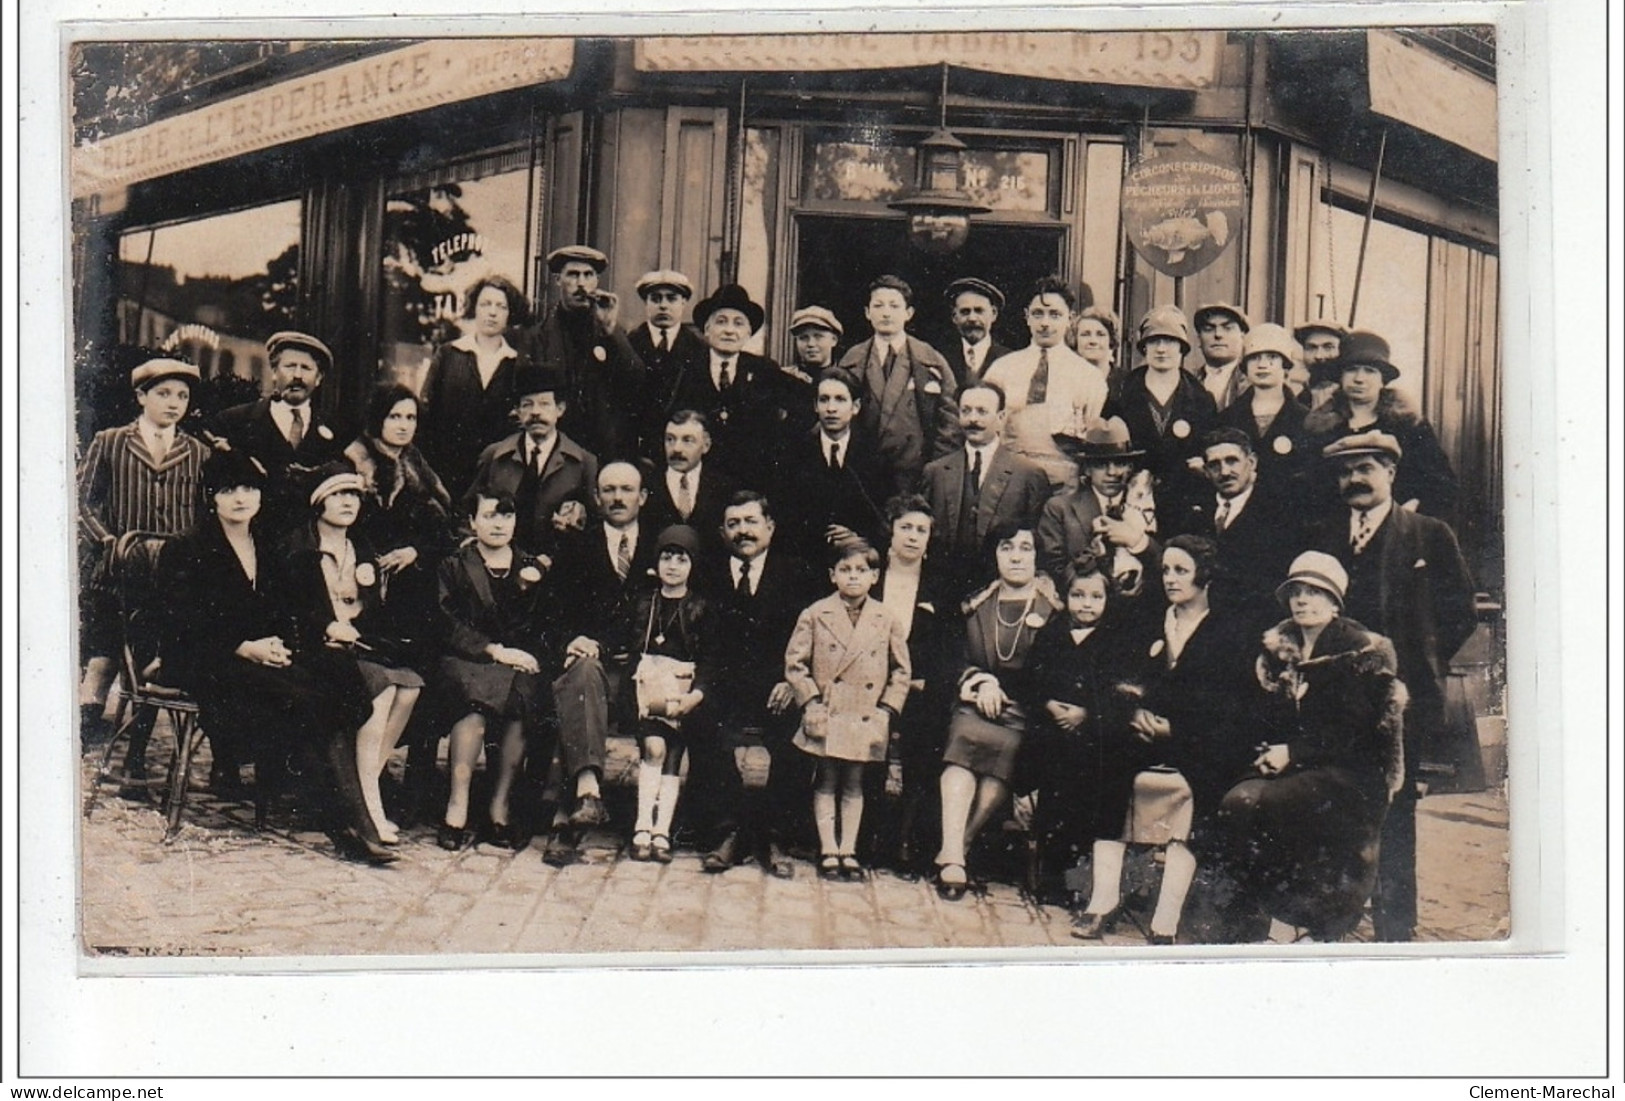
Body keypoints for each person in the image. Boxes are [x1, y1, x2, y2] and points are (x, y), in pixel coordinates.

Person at [157, 449, 390, 863]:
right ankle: (347, 827)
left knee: (335, 675)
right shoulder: (187, 546)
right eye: (229, 490)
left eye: (249, 488)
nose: (241, 498)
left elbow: (287, 611)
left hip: (259, 656)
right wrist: (244, 646)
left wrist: (279, 644)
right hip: (207, 660)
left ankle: (354, 821)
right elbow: (180, 626)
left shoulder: (266, 543)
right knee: (306, 701)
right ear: (212, 496)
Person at [1313, 431, 1476, 941]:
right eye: (1345, 471)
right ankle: (1334, 921)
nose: (1355, 480)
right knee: (1334, 804)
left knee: (1394, 811)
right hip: (1335, 700)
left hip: (1398, 701)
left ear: (1391, 473)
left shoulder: (1428, 534)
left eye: (1367, 468)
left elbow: (1460, 613)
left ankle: (1393, 930)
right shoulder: (1325, 535)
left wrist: (1417, 663)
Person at [1211, 552, 1405, 942]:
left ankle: (1303, 921)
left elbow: (1355, 733)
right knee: (1236, 801)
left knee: (1276, 805)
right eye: (1296, 592)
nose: (1302, 600)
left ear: (1335, 603)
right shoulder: (1279, 648)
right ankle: (1259, 919)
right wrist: (1270, 749)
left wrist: (1293, 753)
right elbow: (1263, 714)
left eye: (1315, 592)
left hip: (1352, 772)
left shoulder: (1359, 653)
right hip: (1297, 764)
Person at [1082, 535, 1255, 944]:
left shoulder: (1228, 632)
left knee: (1205, 789)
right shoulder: (1152, 621)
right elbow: (1120, 678)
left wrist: (1176, 730)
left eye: (1181, 570)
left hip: (1198, 741)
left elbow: (1231, 706)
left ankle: (1166, 918)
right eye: (1165, 571)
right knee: (1109, 762)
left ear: (1205, 575)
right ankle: (1102, 900)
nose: (1171, 579)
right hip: (1145, 733)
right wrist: (1135, 711)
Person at [280, 467, 427, 847]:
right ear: (319, 502)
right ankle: (371, 810)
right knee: (380, 690)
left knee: (409, 686)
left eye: (354, 495)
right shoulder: (302, 549)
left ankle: (366, 787)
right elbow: (295, 610)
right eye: (338, 494)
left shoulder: (360, 547)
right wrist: (330, 627)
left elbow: (371, 605)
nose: (348, 502)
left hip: (357, 643)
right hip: (316, 648)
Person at [77, 356, 211, 761]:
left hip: (171, 576)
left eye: (182, 396)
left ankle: (135, 752)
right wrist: (107, 541)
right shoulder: (112, 441)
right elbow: (82, 502)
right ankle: (84, 731)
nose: (173, 403)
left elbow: (205, 515)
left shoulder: (198, 453)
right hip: (116, 568)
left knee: (153, 659)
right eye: (163, 393)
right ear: (141, 396)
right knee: (105, 652)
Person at [692, 491, 818, 877]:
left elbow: (809, 641)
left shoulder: (796, 574)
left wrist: (790, 681)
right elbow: (703, 644)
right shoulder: (707, 575)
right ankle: (729, 831)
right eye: (733, 524)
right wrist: (704, 688)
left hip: (777, 687)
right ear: (722, 531)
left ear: (770, 527)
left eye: (750, 522)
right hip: (723, 684)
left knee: (797, 727)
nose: (743, 531)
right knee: (700, 722)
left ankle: (775, 835)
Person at [543, 460, 661, 865]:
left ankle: (647, 820)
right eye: (608, 490)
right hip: (599, 669)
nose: (617, 498)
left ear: (643, 497)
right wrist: (570, 638)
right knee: (581, 675)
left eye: (627, 490)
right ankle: (582, 799)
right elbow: (552, 615)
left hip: (647, 669)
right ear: (596, 498)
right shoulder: (576, 547)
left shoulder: (663, 548)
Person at [933, 521, 1059, 900]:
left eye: (1025, 548)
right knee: (966, 738)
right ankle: (954, 852)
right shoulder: (975, 604)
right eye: (1007, 548)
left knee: (1005, 750)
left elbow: (1054, 668)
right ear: (995, 555)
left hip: (1024, 710)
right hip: (974, 702)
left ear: (1037, 557)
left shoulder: (1054, 609)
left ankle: (959, 847)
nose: (1017, 556)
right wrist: (980, 682)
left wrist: (1006, 691)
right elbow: (953, 655)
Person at [432, 491, 555, 852]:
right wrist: (493, 650)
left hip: (517, 660)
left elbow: (543, 623)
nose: (499, 524)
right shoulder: (454, 565)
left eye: (506, 515)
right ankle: (457, 805)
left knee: (523, 702)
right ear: (472, 522)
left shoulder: (530, 566)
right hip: (468, 658)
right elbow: (446, 622)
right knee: (473, 708)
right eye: (489, 516)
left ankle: (498, 808)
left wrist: (522, 654)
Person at [784, 540, 912, 880]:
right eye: (845, 570)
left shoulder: (886, 619)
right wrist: (810, 701)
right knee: (825, 780)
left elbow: (901, 671)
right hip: (828, 711)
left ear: (875, 576)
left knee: (854, 782)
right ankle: (828, 848)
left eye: (861, 570)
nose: (853, 577)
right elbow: (796, 665)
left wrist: (886, 710)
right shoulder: (814, 614)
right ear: (832, 575)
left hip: (866, 713)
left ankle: (849, 849)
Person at [599, 525, 715, 864]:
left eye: (682, 559)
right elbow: (620, 638)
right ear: (656, 563)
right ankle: (641, 826)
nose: (673, 566)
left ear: (693, 565)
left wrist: (698, 693)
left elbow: (710, 658)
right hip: (646, 686)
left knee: (674, 757)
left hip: (683, 689)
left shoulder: (700, 607)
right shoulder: (644, 604)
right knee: (654, 747)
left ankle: (662, 829)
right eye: (667, 557)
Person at [1023, 554, 1132, 906]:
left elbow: (1118, 691)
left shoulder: (1114, 641)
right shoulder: (1053, 634)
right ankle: (1047, 874)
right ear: (1067, 596)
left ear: (1107, 600)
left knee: (1086, 794)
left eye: (1096, 597)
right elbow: (1032, 679)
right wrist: (1051, 706)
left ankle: (1077, 879)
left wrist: (1086, 713)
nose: (1086, 605)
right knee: (1051, 794)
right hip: (1052, 727)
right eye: (1079, 595)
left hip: (1091, 733)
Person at [863, 495, 960, 875]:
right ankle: (867, 835)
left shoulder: (939, 584)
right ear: (891, 529)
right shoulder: (872, 576)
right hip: (871, 683)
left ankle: (907, 839)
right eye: (906, 527)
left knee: (925, 743)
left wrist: (925, 681)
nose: (913, 537)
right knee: (869, 745)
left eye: (922, 530)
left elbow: (949, 643)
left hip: (919, 686)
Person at [1302, 331, 1460, 520]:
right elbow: (1308, 488)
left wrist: (1407, 512)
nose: (1359, 378)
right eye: (1352, 369)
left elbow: (1442, 485)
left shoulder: (1408, 425)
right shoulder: (1321, 428)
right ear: (1341, 376)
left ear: (1382, 380)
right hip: (1335, 532)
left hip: (1397, 531)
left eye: (1370, 371)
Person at [917, 380, 1052, 602]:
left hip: (1002, 595)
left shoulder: (1027, 473)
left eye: (982, 411)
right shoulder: (936, 472)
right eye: (966, 411)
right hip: (945, 594)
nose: (973, 419)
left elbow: (1040, 543)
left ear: (1000, 418)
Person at [208, 331, 347, 541]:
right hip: (253, 543)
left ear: (318, 379)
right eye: (290, 366)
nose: (297, 375)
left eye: (306, 368)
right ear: (274, 371)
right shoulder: (234, 421)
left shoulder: (336, 429)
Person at [664, 283, 802, 489]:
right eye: (721, 322)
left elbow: (806, 403)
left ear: (748, 333)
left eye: (738, 324)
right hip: (700, 485)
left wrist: (777, 445)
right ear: (707, 329)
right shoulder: (684, 368)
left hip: (751, 484)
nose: (729, 330)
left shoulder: (764, 370)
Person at [516, 245, 645, 462]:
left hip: (604, 450)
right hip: (556, 452)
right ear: (558, 280)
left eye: (588, 275)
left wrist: (610, 330)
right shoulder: (536, 338)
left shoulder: (611, 331)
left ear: (596, 282)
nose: (581, 283)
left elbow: (635, 380)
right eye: (573, 275)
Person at [984, 275, 1110, 492]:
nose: (1045, 323)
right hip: (1008, 483)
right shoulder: (1002, 369)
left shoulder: (1089, 377)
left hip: (1063, 487)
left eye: (1054, 315)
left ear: (1070, 319)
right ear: (1027, 317)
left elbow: (1089, 436)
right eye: (1038, 314)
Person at [838, 274, 961, 493]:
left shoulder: (930, 359)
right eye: (878, 305)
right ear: (867, 312)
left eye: (894, 306)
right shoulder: (852, 359)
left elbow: (950, 420)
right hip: (863, 473)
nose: (886, 312)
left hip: (915, 474)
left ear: (908, 313)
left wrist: (935, 467)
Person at [1164, 427, 1301, 621]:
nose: (1224, 472)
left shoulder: (1280, 513)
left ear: (1251, 462)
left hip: (1257, 623)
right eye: (1214, 465)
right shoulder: (1194, 514)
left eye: (1232, 461)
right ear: (1206, 471)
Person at [1105, 305, 1218, 531]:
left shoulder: (1200, 397)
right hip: (1132, 502)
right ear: (1144, 347)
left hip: (1183, 504)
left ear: (1182, 348)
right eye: (1154, 341)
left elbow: (1209, 450)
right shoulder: (1122, 392)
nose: (1162, 349)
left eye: (1170, 341)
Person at [416, 274, 528, 501]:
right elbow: (426, 412)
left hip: (496, 477)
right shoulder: (448, 354)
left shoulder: (518, 364)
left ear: (510, 314)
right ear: (474, 308)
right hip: (445, 472)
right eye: (485, 304)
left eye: (501, 306)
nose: (492, 312)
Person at [467, 363, 598, 557]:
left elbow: (596, 527)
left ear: (560, 409)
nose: (536, 412)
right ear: (518, 412)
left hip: (559, 567)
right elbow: (466, 513)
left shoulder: (583, 463)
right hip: (501, 565)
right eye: (527, 404)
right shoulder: (495, 456)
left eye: (544, 403)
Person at [775, 367, 890, 561]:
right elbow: (785, 518)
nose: (831, 408)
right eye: (824, 399)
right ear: (815, 406)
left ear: (855, 407)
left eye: (840, 399)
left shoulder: (875, 458)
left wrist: (859, 538)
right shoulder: (793, 454)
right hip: (806, 563)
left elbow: (884, 520)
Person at [1038, 417, 1158, 601]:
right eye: (1101, 465)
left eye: (1120, 463)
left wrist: (1137, 541)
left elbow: (1166, 559)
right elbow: (1055, 572)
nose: (1112, 472)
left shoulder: (1147, 504)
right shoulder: (1060, 509)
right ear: (1087, 469)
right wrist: (1095, 556)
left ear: (1131, 467)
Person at [1218, 323, 1311, 489]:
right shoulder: (1227, 418)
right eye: (1254, 357)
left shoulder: (1304, 419)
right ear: (1245, 366)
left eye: (1272, 357)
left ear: (1285, 365)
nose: (1262, 365)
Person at [628, 269, 706, 462]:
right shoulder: (629, 344)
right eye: (656, 299)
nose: (663, 305)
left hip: (682, 452)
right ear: (646, 303)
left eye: (671, 298)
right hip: (637, 449)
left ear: (683, 303)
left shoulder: (699, 349)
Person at [640, 409, 738, 560]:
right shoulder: (647, 485)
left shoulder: (724, 487)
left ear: (706, 445)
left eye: (687, 440)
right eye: (670, 439)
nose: (676, 448)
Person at [938, 277, 1011, 387]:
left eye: (979, 311)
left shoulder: (1010, 359)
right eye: (965, 312)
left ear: (994, 314)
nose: (972, 318)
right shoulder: (940, 358)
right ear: (954, 317)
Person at [1190, 303, 1251, 412]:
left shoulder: (1252, 383)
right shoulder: (1188, 383)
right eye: (1209, 329)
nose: (1218, 334)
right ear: (1199, 339)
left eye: (1227, 328)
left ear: (1243, 337)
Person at [1293, 319, 1348, 409]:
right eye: (1311, 348)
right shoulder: (1297, 404)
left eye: (1328, 347)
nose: (1319, 356)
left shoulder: (1355, 400)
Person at [1070, 306, 1121, 389]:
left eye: (1100, 334)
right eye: (1085, 334)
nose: (1093, 341)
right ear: (1076, 339)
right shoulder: (1065, 379)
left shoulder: (1127, 382)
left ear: (1111, 340)